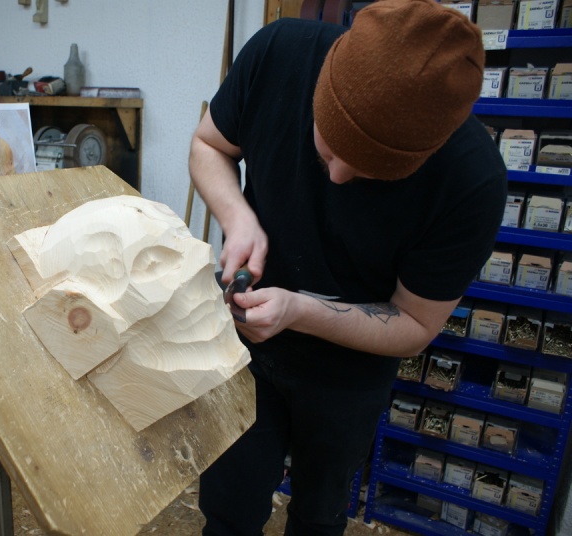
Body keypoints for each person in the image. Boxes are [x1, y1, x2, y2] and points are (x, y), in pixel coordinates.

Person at [188, 0, 507, 534]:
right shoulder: (278, 54)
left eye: (371, 172)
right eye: (331, 148)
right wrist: (238, 217)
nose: (336, 177)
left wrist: (300, 311)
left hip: (350, 372)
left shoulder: (471, 183)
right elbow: (208, 145)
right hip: (243, 352)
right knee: (228, 508)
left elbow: (415, 324)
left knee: (320, 515)